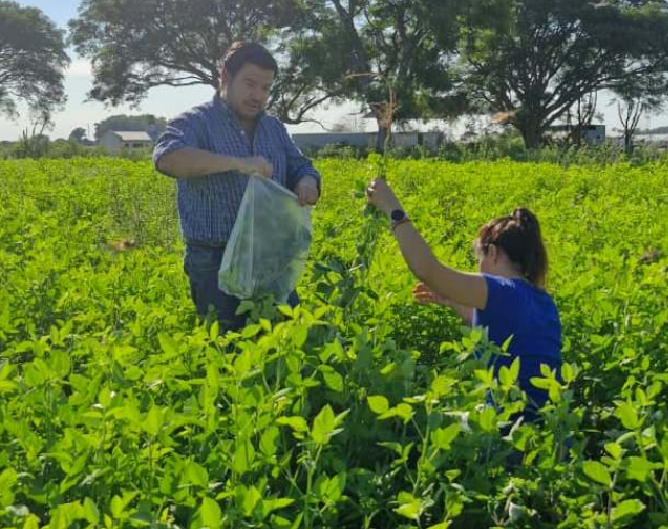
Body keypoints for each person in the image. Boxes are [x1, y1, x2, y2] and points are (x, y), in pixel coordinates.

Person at [153, 42, 321, 330]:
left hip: (270, 257)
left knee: (285, 342)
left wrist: (307, 181)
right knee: (226, 352)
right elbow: (167, 159)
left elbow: (301, 166)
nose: (258, 95)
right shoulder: (196, 122)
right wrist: (238, 163)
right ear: (225, 78)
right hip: (214, 261)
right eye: (250, 83)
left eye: (266, 88)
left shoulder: (273, 128)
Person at [366, 178, 561, 421]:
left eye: (478, 256)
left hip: (515, 438)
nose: (478, 266)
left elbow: (428, 270)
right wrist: (453, 301)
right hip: (550, 435)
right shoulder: (541, 299)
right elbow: (505, 335)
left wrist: (393, 209)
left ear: (492, 253)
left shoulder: (502, 290)